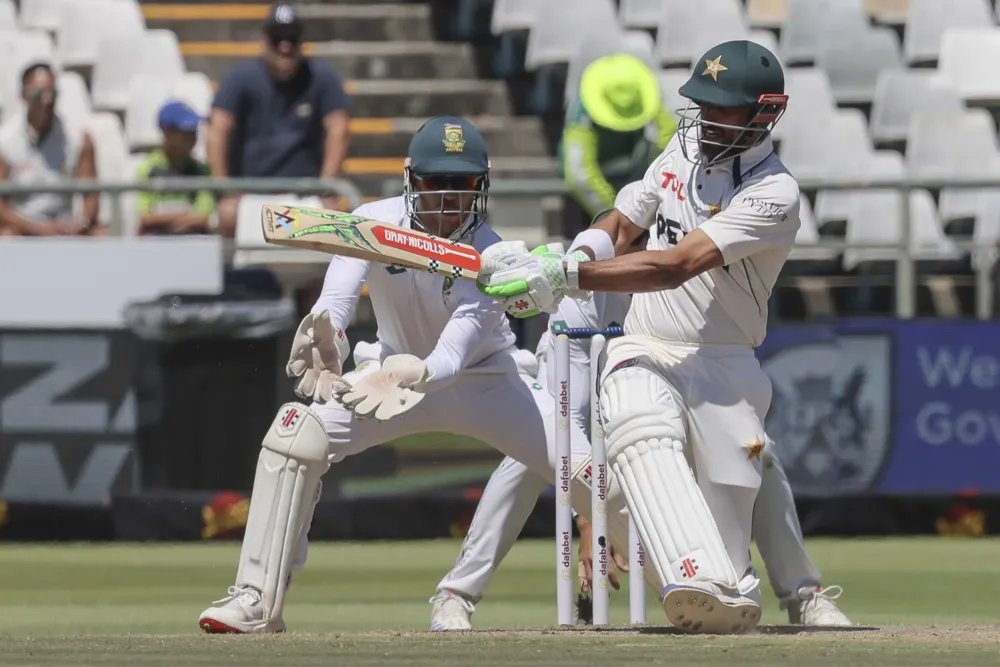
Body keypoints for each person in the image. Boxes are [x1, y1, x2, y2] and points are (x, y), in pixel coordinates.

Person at [196, 117, 637, 634]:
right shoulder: (370, 221)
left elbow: (454, 352)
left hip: (486, 381)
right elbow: (337, 297)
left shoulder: (493, 255)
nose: (449, 200)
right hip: (384, 372)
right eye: (435, 184)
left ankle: (685, 581)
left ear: (482, 183)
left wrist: (420, 372)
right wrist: (329, 335)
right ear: (409, 177)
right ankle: (256, 600)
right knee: (294, 436)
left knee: (595, 480)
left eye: (463, 184)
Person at [477, 40, 801, 634]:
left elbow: (677, 263)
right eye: (699, 104)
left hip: (724, 365)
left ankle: (728, 582)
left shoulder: (774, 195)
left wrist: (566, 275)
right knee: (632, 413)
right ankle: (692, 572)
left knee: (734, 587)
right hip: (646, 345)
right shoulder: (681, 147)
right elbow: (626, 221)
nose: (703, 118)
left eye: (720, 108)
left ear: (763, 114)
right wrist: (578, 253)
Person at [430, 192, 850, 632]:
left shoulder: (681, 298)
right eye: (633, 248)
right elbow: (563, 423)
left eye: (652, 246)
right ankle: (456, 594)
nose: (642, 259)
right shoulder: (578, 301)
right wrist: (590, 518)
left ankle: (804, 596)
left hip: (668, 431)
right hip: (598, 446)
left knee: (757, 450)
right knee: (526, 454)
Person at [207, 3, 351, 238]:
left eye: (292, 39)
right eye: (277, 38)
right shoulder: (241, 78)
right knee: (227, 214)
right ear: (264, 40)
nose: (285, 46)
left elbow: (339, 127)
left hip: (305, 188)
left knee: (333, 211)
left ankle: (319, 275)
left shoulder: (322, 78)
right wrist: (225, 189)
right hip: (250, 188)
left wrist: (327, 184)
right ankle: (232, 274)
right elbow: (217, 128)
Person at [560, 53, 675, 237]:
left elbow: (669, 138)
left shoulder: (650, 101)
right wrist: (615, 213)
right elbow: (580, 175)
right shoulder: (581, 116)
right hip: (592, 206)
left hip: (639, 195)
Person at [0, 62, 99, 236]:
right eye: (39, 93)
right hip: (24, 227)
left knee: (101, 236)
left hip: (66, 225)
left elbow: (91, 198)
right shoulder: (5, 142)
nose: (47, 100)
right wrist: (39, 229)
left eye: (52, 93)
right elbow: (2, 207)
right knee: (7, 236)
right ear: (24, 96)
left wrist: (80, 224)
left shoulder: (79, 139)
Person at [134, 101, 215, 236]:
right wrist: (186, 216)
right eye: (186, 131)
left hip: (193, 241)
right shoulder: (147, 169)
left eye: (194, 130)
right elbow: (146, 217)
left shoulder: (202, 170)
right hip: (156, 242)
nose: (192, 137)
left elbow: (202, 218)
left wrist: (163, 218)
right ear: (167, 132)